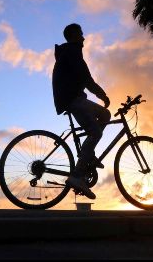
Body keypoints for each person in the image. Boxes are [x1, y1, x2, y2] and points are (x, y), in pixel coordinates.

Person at [52, 23, 111, 199]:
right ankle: (77, 176)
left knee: (105, 115)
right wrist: (103, 95)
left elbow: (84, 78)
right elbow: (87, 79)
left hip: (72, 98)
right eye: (81, 34)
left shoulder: (70, 52)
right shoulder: (72, 51)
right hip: (72, 100)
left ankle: (89, 155)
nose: (84, 38)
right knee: (95, 132)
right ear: (74, 35)